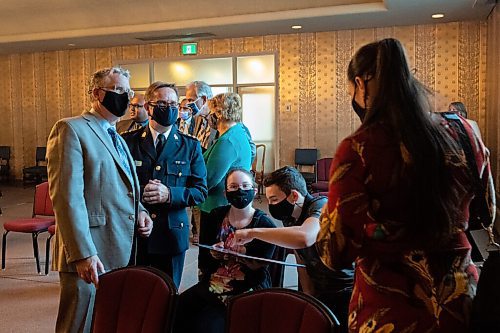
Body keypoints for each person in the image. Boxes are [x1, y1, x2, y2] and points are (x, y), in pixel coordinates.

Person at [316, 38, 479, 332]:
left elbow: (335, 252)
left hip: (390, 310)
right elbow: (487, 211)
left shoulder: (359, 150)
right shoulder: (464, 131)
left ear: (360, 85)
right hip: (460, 302)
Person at [46, 67, 153, 333]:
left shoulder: (115, 134)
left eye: (128, 92)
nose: (125, 97)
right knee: (78, 324)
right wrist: (83, 254)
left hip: (119, 244)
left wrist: (140, 210)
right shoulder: (71, 129)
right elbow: (66, 197)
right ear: (97, 93)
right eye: (118, 90)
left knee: (106, 321)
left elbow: (121, 185)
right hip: (89, 250)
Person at [230, 166, 354, 332]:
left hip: (345, 290)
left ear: (294, 196)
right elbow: (300, 258)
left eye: (274, 200)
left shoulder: (321, 206)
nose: (271, 205)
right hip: (320, 289)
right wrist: (308, 298)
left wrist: (253, 232)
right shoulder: (290, 216)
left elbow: (304, 237)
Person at [122, 81, 208, 288]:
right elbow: (116, 187)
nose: (168, 108)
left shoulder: (190, 146)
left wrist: (170, 194)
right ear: (149, 107)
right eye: (162, 103)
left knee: (168, 295)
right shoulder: (128, 142)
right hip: (136, 233)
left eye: (172, 104)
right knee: (136, 294)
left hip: (171, 234)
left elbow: (200, 191)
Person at [174, 168, 276, 333]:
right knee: (176, 310)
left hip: (247, 287)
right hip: (214, 282)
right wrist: (214, 253)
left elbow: (261, 267)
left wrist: (242, 252)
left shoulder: (264, 225)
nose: (240, 191)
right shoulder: (215, 216)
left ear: (254, 190)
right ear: (225, 192)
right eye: (234, 187)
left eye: (245, 186)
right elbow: (204, 259)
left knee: (207, 326)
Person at [198, 93, 252, 270]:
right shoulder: (238, 132)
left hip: (216, 206)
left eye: (211, 111)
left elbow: (209, 179)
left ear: (219, 113)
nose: (208, 116)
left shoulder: (227, 141)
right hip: (225, 205)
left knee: (210, 259)